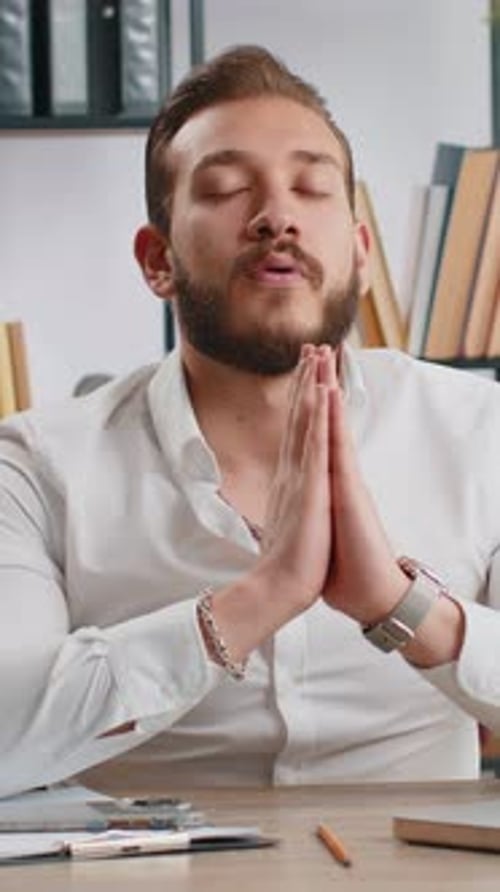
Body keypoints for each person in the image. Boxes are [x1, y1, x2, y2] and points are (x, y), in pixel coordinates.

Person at [1, 45, 500, 798]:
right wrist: (255, 601)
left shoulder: (480, 430)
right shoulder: (36, 466)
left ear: (361, 254)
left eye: (311, 186)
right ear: (157, 260)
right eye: (229, 188)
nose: (276, 216)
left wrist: (400, 606)